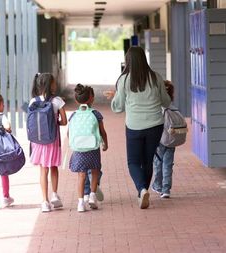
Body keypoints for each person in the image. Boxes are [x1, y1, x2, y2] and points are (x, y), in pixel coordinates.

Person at [105, 46, 171, 209]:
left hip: (134, 126)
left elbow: (118, 107)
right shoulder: (156, 77)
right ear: (144, 58)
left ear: (128, 61)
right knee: (148, 161)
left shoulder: (124, 80)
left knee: (133, 161)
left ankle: (141, 190)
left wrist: (114, 98)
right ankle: (143, 192)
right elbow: (166, 102)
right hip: (155, 125)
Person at [29, 73, 68, 212]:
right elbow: (64, 121)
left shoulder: (33, 101)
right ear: (50, 85)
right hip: (52, 139)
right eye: (54, 82)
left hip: (38, 141)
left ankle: (44, 201)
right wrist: (54, 122)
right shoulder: (57, 101)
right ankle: (55, 195)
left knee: (43, 170)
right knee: (53, 167)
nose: (56, 84)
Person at [68, 84, 108, 212]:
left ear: (76, 100)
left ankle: (80, 203)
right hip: (93, 148)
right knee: (95, 171)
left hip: (79, 149)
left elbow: (69, 133)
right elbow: (102, 131)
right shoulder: (96, 114)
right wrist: (105, 143)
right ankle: (92, 196)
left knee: (81, 175)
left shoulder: (73, 115)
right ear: (92, 98)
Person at [151, 81, 176, 199]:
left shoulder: (157, 107)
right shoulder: (171, 106)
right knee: (168, 164)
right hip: (171, 139)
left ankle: (158, 186)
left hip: (160, 139)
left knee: (157, 163)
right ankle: (166, 189)